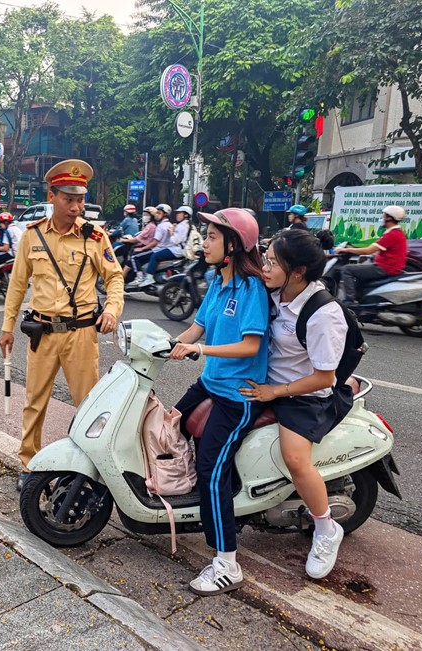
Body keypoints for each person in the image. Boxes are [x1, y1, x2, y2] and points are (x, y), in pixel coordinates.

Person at [0, 159, 124, 490]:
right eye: (69, 199)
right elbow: (17, 284)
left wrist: (111, 309)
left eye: (80, 199)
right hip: (42, 334)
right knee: (34, 401)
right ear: (52, 196)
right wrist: (7, 327)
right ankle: (28, 464)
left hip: (81, 334)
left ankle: (84, 472)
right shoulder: (33, 235)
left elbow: (114, 278)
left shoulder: (95, 237)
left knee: (87, 405)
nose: (76, 206)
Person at [168, 207, 269, 596]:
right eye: (205, 234)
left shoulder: (250, 288)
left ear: (233, 244)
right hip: (212, 383)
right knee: (170, 423)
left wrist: (200, 350)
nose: (204, 241)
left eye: (211, 236)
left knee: (212, 466)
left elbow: (250, 345)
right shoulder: (216, 282)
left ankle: (227, 561)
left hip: (238, 396)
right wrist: (167, 342)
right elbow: (198, 326)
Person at [239, 229, 347, 580]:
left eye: (272, 262)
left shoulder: (323, 313)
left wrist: (275, 392)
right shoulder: (276, 292)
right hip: (266, 382)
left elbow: (324, 378)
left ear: (298, 271)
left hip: (303, 396)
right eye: (265, 259)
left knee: (296, 459)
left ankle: (326, 528)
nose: (265, 267)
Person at [339, 205, 408, 305]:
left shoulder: (392, 234)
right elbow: (377, 249)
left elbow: (368, 250)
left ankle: (349, 300)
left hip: (385, 268)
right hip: (389, 267)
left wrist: (347, 249)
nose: (382, 218)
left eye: (383, 216)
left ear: (389, 217)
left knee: (347, 269)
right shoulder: (396, 233)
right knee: (360, 271)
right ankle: (360, 299)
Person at [132, 204, 190, 288]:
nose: (156, 215)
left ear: (186, 215)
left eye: (159, 213)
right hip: (173, 249)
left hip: (174, 250)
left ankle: (147, 277)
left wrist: (171, 233)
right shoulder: (172, 225)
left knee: (149, 256)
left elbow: (172, 241)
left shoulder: (176, 226)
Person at [125, 204, 173, 288]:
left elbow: (155, 242)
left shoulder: (159, 226)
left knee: (134, 257)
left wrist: (142, 249)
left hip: (156, 249)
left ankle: (140, 277)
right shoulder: (169, 225)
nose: (157, 215)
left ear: (164, 214)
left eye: (159, 213)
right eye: (156, 213)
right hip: (163, 249)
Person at [118, 206, 158, 272]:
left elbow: (137, 239)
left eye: (147, 215)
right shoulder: (138, 221)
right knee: (129, 263)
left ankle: (139, 277)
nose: (144, 216)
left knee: (133, 257)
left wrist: (123, 240)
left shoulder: (150, 226)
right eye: (144, 214)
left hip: (146, 247)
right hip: (139, 243)